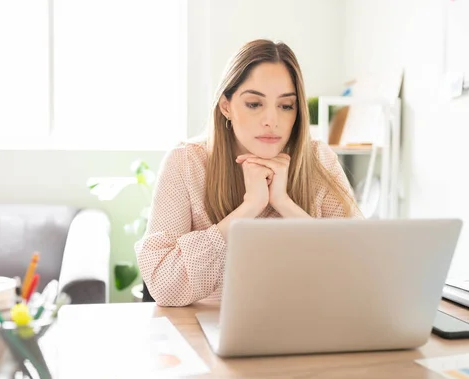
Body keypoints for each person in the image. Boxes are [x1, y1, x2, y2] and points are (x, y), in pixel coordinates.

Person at [135, 39, 363, 307]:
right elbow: (163, 285)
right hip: (208, 329)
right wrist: (248, 208)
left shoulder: (318, 160)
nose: (271, 120)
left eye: (286, 106)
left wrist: (285, 205)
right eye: (254, 104)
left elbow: (359, 267)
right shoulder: (186, 163)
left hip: (308, 326)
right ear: (226, 107)